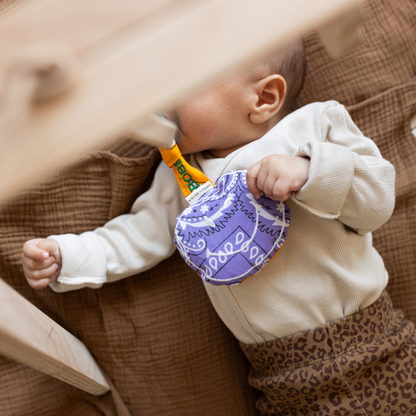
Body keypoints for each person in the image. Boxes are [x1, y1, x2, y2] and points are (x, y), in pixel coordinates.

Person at [21, 40, 416, 414]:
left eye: (184, 83)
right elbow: (138, 234)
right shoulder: (181, 175)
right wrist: (67, 257)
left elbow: (377, 199)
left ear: (263, 99)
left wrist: (310, 171)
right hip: (282, 381)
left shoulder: (313, 127)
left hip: (375, 344)